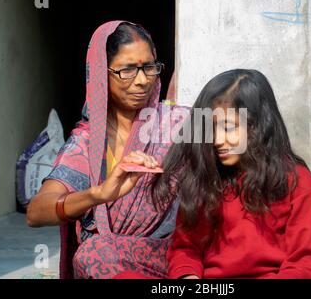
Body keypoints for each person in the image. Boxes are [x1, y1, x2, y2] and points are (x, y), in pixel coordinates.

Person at [26, 20, 189, 279]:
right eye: (127, 70)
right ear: (102, 74)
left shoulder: (180, 123)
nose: (142, 81)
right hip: (111, 262)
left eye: (149, 67)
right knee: (94, 255)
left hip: (178, 255)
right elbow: (36, 212)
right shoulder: (87, 143)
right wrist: (98, 194)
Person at [152, 69, 311, 279]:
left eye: (228, 127)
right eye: (211, 128)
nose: (216, 139)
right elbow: (186, 249)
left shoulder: (297, 180)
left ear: (257, 126)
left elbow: (303, 264)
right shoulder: (206, 176)